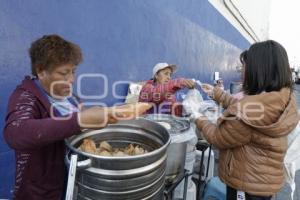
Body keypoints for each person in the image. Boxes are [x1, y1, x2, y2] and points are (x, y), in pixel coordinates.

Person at [3, 35, 149, 200]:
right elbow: (15, 134)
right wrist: (80, 120)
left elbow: (79, 130)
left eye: (73, 71)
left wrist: (108, 115)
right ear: (41, 71)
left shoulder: (71, 98)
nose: (71, 80)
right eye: (64, 73)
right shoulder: (25, 97)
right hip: (41, 192)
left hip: (72, 184)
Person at [193, 40, 299, 200]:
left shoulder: (251, 109)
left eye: (244, 67)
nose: (241, 71)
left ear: (259, 70)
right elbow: (243, 106)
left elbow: (218, 138)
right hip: (263, 181)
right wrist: (217, 94)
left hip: (246, 186)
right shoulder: (280, 98)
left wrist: (197, 116)